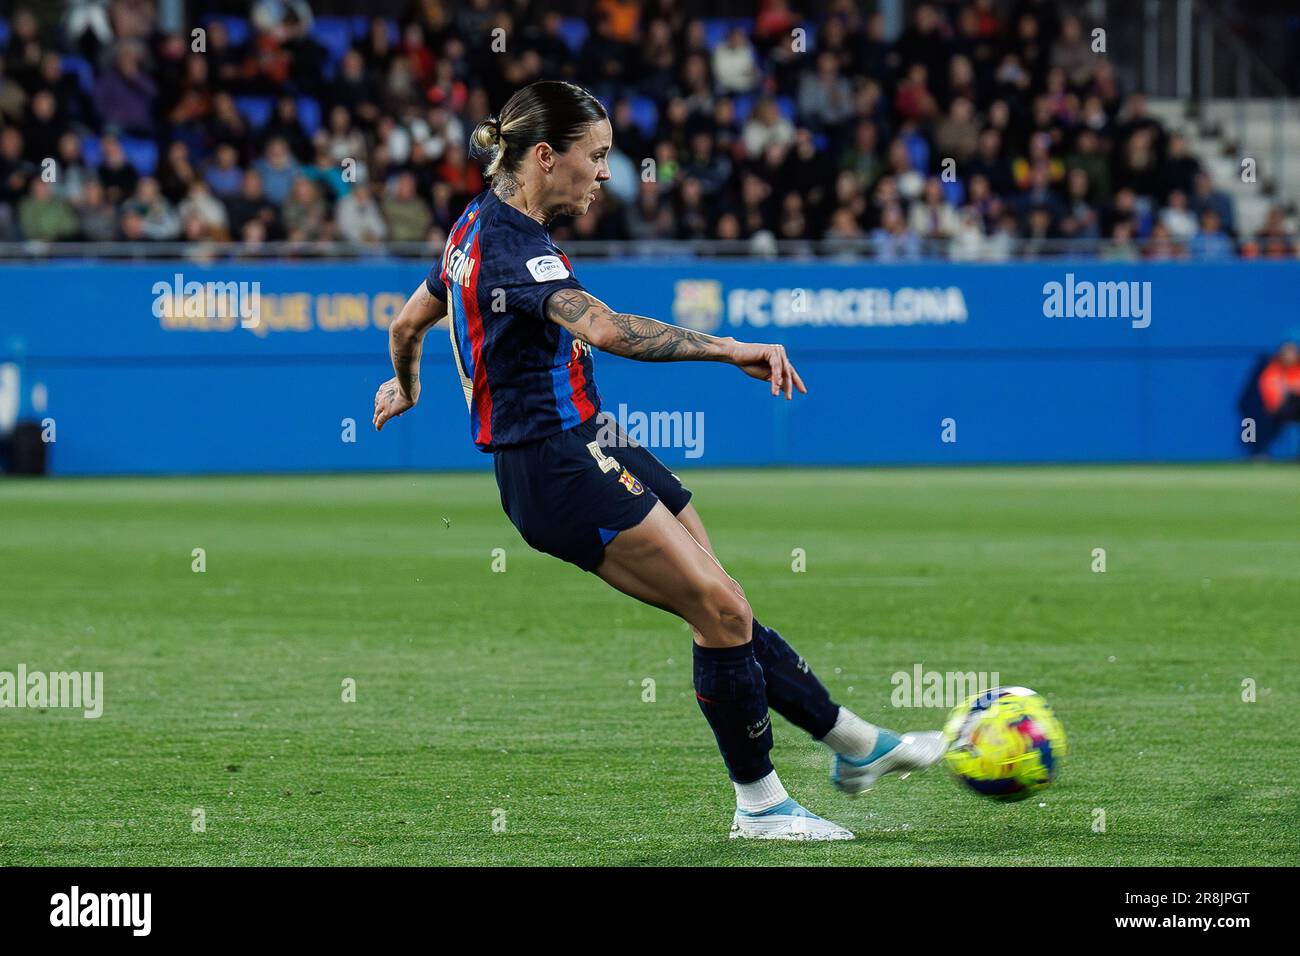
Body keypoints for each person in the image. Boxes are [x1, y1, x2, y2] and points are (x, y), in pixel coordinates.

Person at [371, 80, 944, 842]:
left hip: (592, 437)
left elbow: (408, 321)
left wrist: (406, 388)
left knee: (724, 604)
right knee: (720, 609)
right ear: (546, 157)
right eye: (596, 156)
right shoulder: (512, 246)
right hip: (552, 462)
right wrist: (728, 345)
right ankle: (763, 806)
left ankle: (852, 746)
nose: (607, 173)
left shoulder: (475, 226)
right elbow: (606, 329)